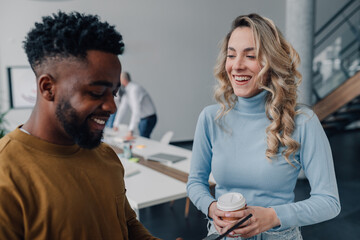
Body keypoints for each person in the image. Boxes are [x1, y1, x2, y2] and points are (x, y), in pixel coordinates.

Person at [0, 11, 159, 240]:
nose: (112, 107)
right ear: (47, 88)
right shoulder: (6, 177)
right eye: (96, 93)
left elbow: (127, 223)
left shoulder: (106, 156)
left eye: (114, 93)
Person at [187, 13, 340, 239]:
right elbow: (195, 183)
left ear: (271, 62)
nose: (237, 66)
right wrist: (211, 208)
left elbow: (329, 202)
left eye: (250, 56)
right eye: (231, 55)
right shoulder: (211, 118)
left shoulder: (303, 121)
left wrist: (273, 216)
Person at [112, 72, 157, 139]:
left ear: (123, 80)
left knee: (144, 139)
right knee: (142, 138)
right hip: (143, 118)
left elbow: (136, 110)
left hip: (148, 118)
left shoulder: (134, 89)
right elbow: (122, 108)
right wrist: (116, 124)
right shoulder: (127, 90)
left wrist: (131, 130)